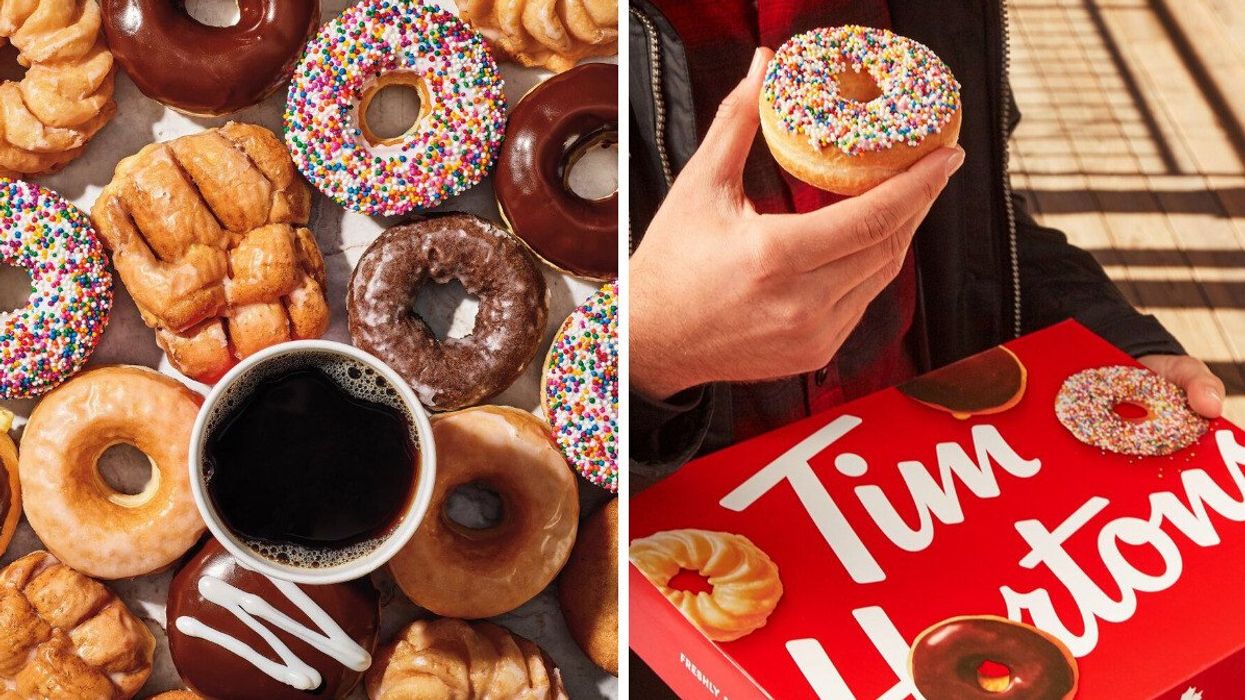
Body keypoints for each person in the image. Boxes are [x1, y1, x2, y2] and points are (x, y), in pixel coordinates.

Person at [629, 0, 1226, 489]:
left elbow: (976, 218)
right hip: (701, 538)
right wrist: (650, 347)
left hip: (937, 476)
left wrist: (1106, 339)